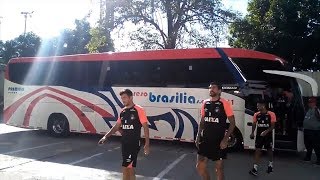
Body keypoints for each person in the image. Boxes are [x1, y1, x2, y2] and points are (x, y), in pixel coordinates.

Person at [98, 89, 150, 180]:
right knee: (127, 168)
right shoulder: (123, 111)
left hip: (134, 143)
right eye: (122, 98)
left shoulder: (139, 110)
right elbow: (117, 126)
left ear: (131, 97)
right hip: (124, 143)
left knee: (128, 168)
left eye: (125, 98)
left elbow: (145, 127)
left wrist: (147, 144)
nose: (123, 100)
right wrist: (105, 136)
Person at [195, 82, 236, 180]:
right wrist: (198, 135)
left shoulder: (224, 103)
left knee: (219, 169)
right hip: (205, 140)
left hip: (219, 141)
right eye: (210, 87)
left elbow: (232, 123)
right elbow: (202, 120)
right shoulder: (205, 103)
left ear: (219, 90)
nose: (211, 89)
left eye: (213, 87)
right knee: (200, 167)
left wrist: (225, 139)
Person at [249, 100, 276, 176]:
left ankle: (270, 165)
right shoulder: (256, 114)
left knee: (269, 150)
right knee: (257, 150)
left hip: (268, 136)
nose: (257, 107)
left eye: (258, 106)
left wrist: (266, 132)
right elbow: (254, 124)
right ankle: (255, 168)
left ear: (263, 106)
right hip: (259, 136)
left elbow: (273, 126)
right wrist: (252, 133)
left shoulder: (271, 114)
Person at [303, 97, 320, 165]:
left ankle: (319, 160)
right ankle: (308, 157)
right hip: (307, 130)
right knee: (308, 144)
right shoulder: (308, 110)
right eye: (309, 102)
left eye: (311, 102)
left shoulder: (317, 110)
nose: (309, 104)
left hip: (315, 131)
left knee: (316, 146)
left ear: (314, 103)